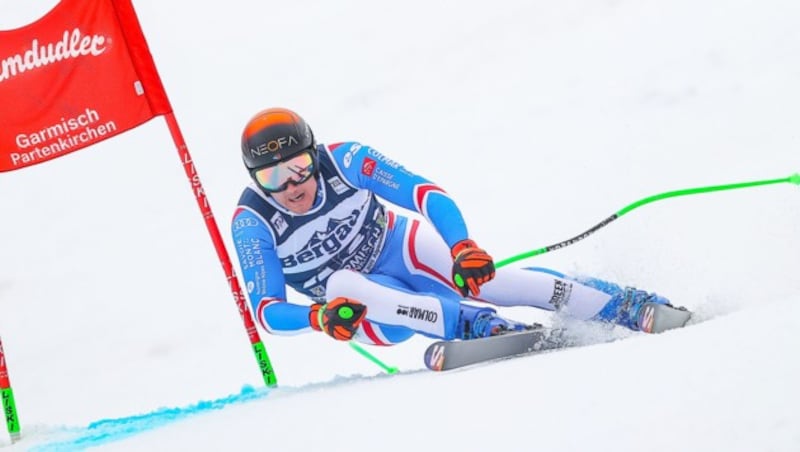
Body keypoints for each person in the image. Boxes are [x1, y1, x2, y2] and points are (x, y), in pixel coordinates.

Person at [231, 107, 691, 345]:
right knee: (341, 282)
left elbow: (423, 194)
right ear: (255, 179)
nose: (293, 185)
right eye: (273, 177)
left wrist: (461, 247)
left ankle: (626, 305)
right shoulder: (253, 222)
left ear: (315, 155)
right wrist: (317, 317)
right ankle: (473, 326)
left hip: (398, 250)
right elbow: (267, 312)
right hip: (368, 312)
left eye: (300, 167)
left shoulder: (345, 159)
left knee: (492, 281)